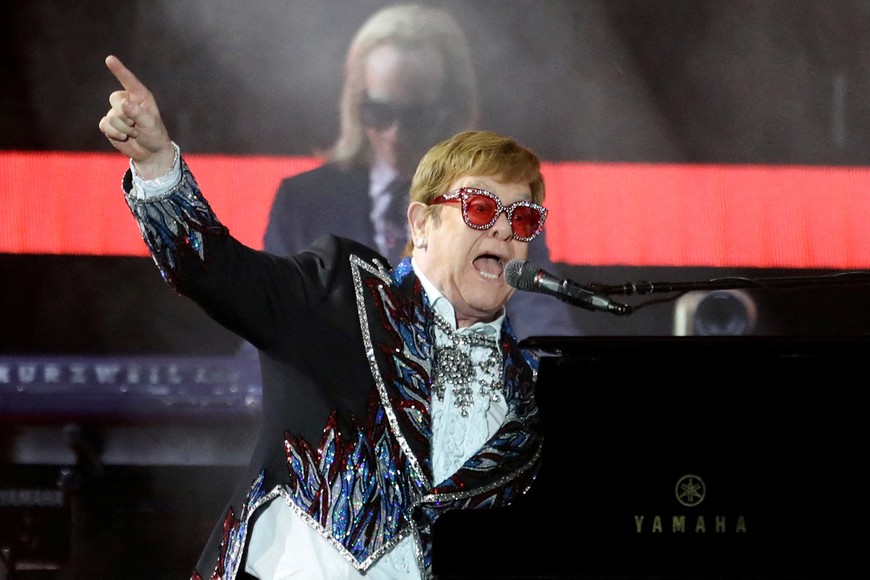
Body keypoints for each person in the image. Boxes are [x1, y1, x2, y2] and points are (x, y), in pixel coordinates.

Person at [99, 54, 544, 579]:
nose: (502, 231)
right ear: (422, 223)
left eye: (521, 218)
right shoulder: (341, 285)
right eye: (479, 209)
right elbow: (217, 273)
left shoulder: (531, 388)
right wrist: (156, 165)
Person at [264, 3, 580, 339]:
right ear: (356, 103)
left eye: (416, 117)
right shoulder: (302, 202)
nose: (395, 135)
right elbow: (267, 330)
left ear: (452, 108)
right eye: (379, 112)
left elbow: (541, 319)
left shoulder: (499, 199)